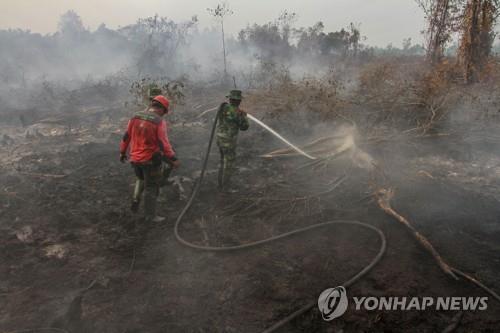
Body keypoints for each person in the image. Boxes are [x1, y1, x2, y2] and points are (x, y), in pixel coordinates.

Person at [120, 95, 180, 222]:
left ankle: (136, 199)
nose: (163, 115)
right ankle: (150, 216)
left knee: (141, 180)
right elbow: (164, 143)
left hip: (135, 160)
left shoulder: (135, 116)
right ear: (162, 109)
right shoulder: (159, 121)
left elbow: (126, 136)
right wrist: (173, 158)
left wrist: (122, 152)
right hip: (150, 160)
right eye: (164, 112)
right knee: (151, 188)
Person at [216, 90, 249, 192]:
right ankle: (226, 187)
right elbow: (244, 127)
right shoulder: (237, 113)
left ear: (230, 99)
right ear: (239, 101)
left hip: (220, 139)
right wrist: (244, 116)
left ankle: (220, 183)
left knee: (222, 161)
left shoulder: (223, 107)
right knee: (229, 163)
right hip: (229, 141)